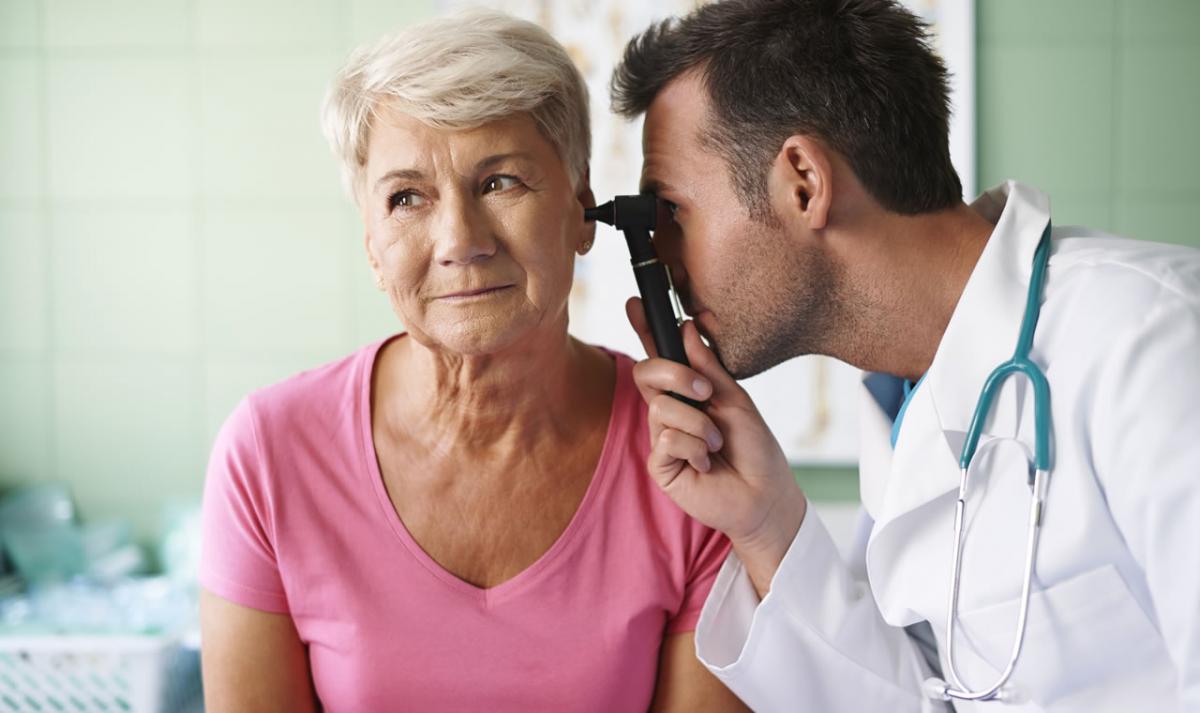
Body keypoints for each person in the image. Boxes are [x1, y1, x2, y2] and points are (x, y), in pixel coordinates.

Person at [608, 0, 1200, 711]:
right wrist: (765, 522)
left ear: (803, 180)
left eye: (670, 212)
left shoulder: (1153, 338)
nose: (661, 258)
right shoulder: (908, 409)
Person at [199, 10, 750, 712]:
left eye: (500, 182)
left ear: (581, 206)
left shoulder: (689, 456)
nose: (460, 240)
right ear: (372, 243)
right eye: (407, 198)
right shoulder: (269, 456)